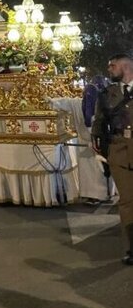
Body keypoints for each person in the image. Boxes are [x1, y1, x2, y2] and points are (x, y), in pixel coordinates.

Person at [92, 53, 133, 264]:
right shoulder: (107, 94)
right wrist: (99, 151)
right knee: (126, 201)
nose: (109, 70)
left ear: (125, 67)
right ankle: (131, 249)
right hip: (119, 151)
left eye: (112, 66)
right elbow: (98, 124)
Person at [51, 94, 111, 203]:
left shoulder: (103, 103)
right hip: (85, 143)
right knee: (88, 171)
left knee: (101, 168)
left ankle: (103, 193)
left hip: (100, 142)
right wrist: (48, 100)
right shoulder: (78, 103)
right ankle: (90, 194)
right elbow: (62, 102)